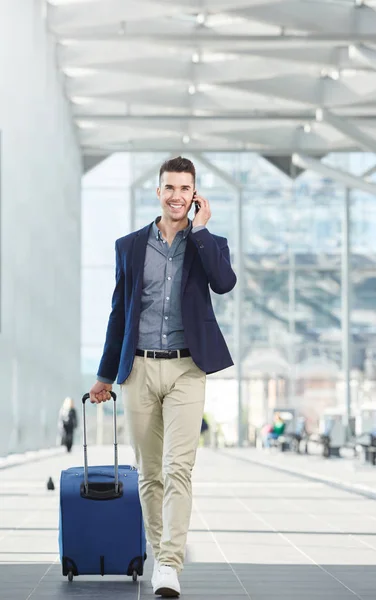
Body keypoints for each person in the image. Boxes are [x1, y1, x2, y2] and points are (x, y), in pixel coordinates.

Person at [89, 156, 236, 597]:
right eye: (169, 188)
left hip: (188, 368)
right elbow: (120, 314)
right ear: (158, 191)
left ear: (195, 195)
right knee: (150, 472)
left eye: (185, 189)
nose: (176, 196)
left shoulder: (208, 242)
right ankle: (159, 554)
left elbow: (224, 283)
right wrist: (104, 375)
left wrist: (202, 230)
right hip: (138, 368)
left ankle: (170, 564)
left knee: (179, 468)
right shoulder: (130, 246)